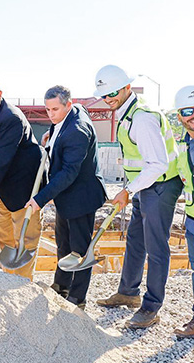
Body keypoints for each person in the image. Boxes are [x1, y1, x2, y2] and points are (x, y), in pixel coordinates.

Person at [94, 65, 182, 329]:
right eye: (104, 95)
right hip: (144, 186)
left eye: (113, 93)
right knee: (135, 239)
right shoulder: (126, 112)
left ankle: (151, 307)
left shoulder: (141, 118)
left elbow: (158, 165)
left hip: (160, 186)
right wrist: (133, 189)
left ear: (127, 88)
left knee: (156, 247)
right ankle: (128, 293)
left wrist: (128, 191)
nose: (109, 99)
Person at [25, 86, 106, 309]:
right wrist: (52, 137)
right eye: (47, 109)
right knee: (63, 243)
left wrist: (40, 199)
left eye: (55, 110)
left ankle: (78, 298)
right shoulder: (72, 113)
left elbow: (68, 173)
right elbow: (61, 128)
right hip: (66, 196)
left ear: (68, 105)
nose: (51, 115)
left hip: (81, 197)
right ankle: (61, 285)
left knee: (79, 251)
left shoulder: (77, 131)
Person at [0, 77, 42, 280]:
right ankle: (8, 277)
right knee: (4, 236)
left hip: (24, 190)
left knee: (25, 239)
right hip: (3, 188)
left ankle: (23, 284)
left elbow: (2, 159)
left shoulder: (11, 118)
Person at [172, 86, 194, 337]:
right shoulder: (183, 142)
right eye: (187, 111)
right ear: (179, 115)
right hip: (192, 218)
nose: (192, 115)